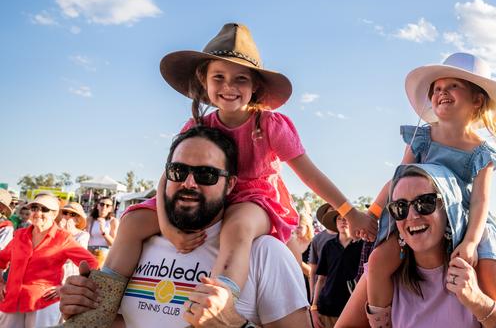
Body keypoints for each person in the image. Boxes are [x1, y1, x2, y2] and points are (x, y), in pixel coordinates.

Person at [77, 23, 377, 323]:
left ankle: (220, 298)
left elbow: (309, 174)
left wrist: (348, 211)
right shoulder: (197, 126)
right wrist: (169, 230)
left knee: (238, 228)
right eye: (218, 77)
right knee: (130, 221)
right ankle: (100, 304)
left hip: (255, 200)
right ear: (203, 80)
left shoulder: (269, 125)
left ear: (255, 85)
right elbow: (169, 177)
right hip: (205, 199)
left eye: (240, 79)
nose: (228, 87)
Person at [58, 125, 310, 327]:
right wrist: (82, 307)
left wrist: (233, 325)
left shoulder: (265, 254)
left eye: (206, 174)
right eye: (178, 171)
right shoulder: (139, 242)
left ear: (231, 185)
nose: (189, 183)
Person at [366, 52, 496, 316]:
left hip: (465, 218)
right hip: (420, 211)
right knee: (378, 261)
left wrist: (471, 241)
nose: (442, 92)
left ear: (477, 99)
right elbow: (397, 180)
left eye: (453, 86)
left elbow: (481, 200)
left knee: (491, 269)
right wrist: (373, 213)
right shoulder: (423, 137)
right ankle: (381, 320)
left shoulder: (481, 152)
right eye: (437, 88)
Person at [337, 163, 496, 327]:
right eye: (400, 207)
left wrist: (479, 302)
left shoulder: (491, 266)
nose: (412, 215)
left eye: (426, 202)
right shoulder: (383, 270)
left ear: (450, 210)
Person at [0, 194, 98, 327]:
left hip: (43, 303)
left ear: (54, 214)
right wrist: (0, 282)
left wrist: (65, 288)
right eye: (34, 208)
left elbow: (91, 263)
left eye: (44, 209)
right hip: (12, 299)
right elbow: (1, 259)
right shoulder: (20, 235)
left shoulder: (63, 238)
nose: (38, 213)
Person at [311, 209, 363, 328]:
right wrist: (314, 307)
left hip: (353, 307)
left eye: (346, 218)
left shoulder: (362, 245)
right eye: (339, 218)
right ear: (335, 223)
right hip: (328, 307)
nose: (343, 221)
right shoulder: (328, 246)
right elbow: (321, 279)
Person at [309, 203, 337, 300]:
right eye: (332, 210)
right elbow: (313, 271)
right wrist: (312, 296)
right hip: (322, 292)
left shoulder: (350, 238)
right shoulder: (317, 239)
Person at [57, 202, 91, 281]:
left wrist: (67, 234)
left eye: (72, 214)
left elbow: (76, 257)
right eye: (65, 213)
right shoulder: (56, 232)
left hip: (71, 275)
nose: (67, 216)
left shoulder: (83, 235)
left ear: (78, 220)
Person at [287, 212, 315, 299]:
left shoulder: (314, 244)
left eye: (299, 227)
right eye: (294, 226)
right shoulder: (290, 242)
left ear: (307, 227)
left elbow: (312, 273)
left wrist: (297, 259)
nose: (295, 230)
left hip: (307, 288)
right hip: (291, 286)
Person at [86, 196, 119, 267]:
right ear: (97, 206)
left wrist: (103, 231)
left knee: (96, 272)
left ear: (110, 209)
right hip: (89, 248)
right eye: (102, 204)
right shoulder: (90, 219)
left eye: (107, 205)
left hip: (103, 250)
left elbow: (113, 243)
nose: (104, 207)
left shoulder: (113, 221)